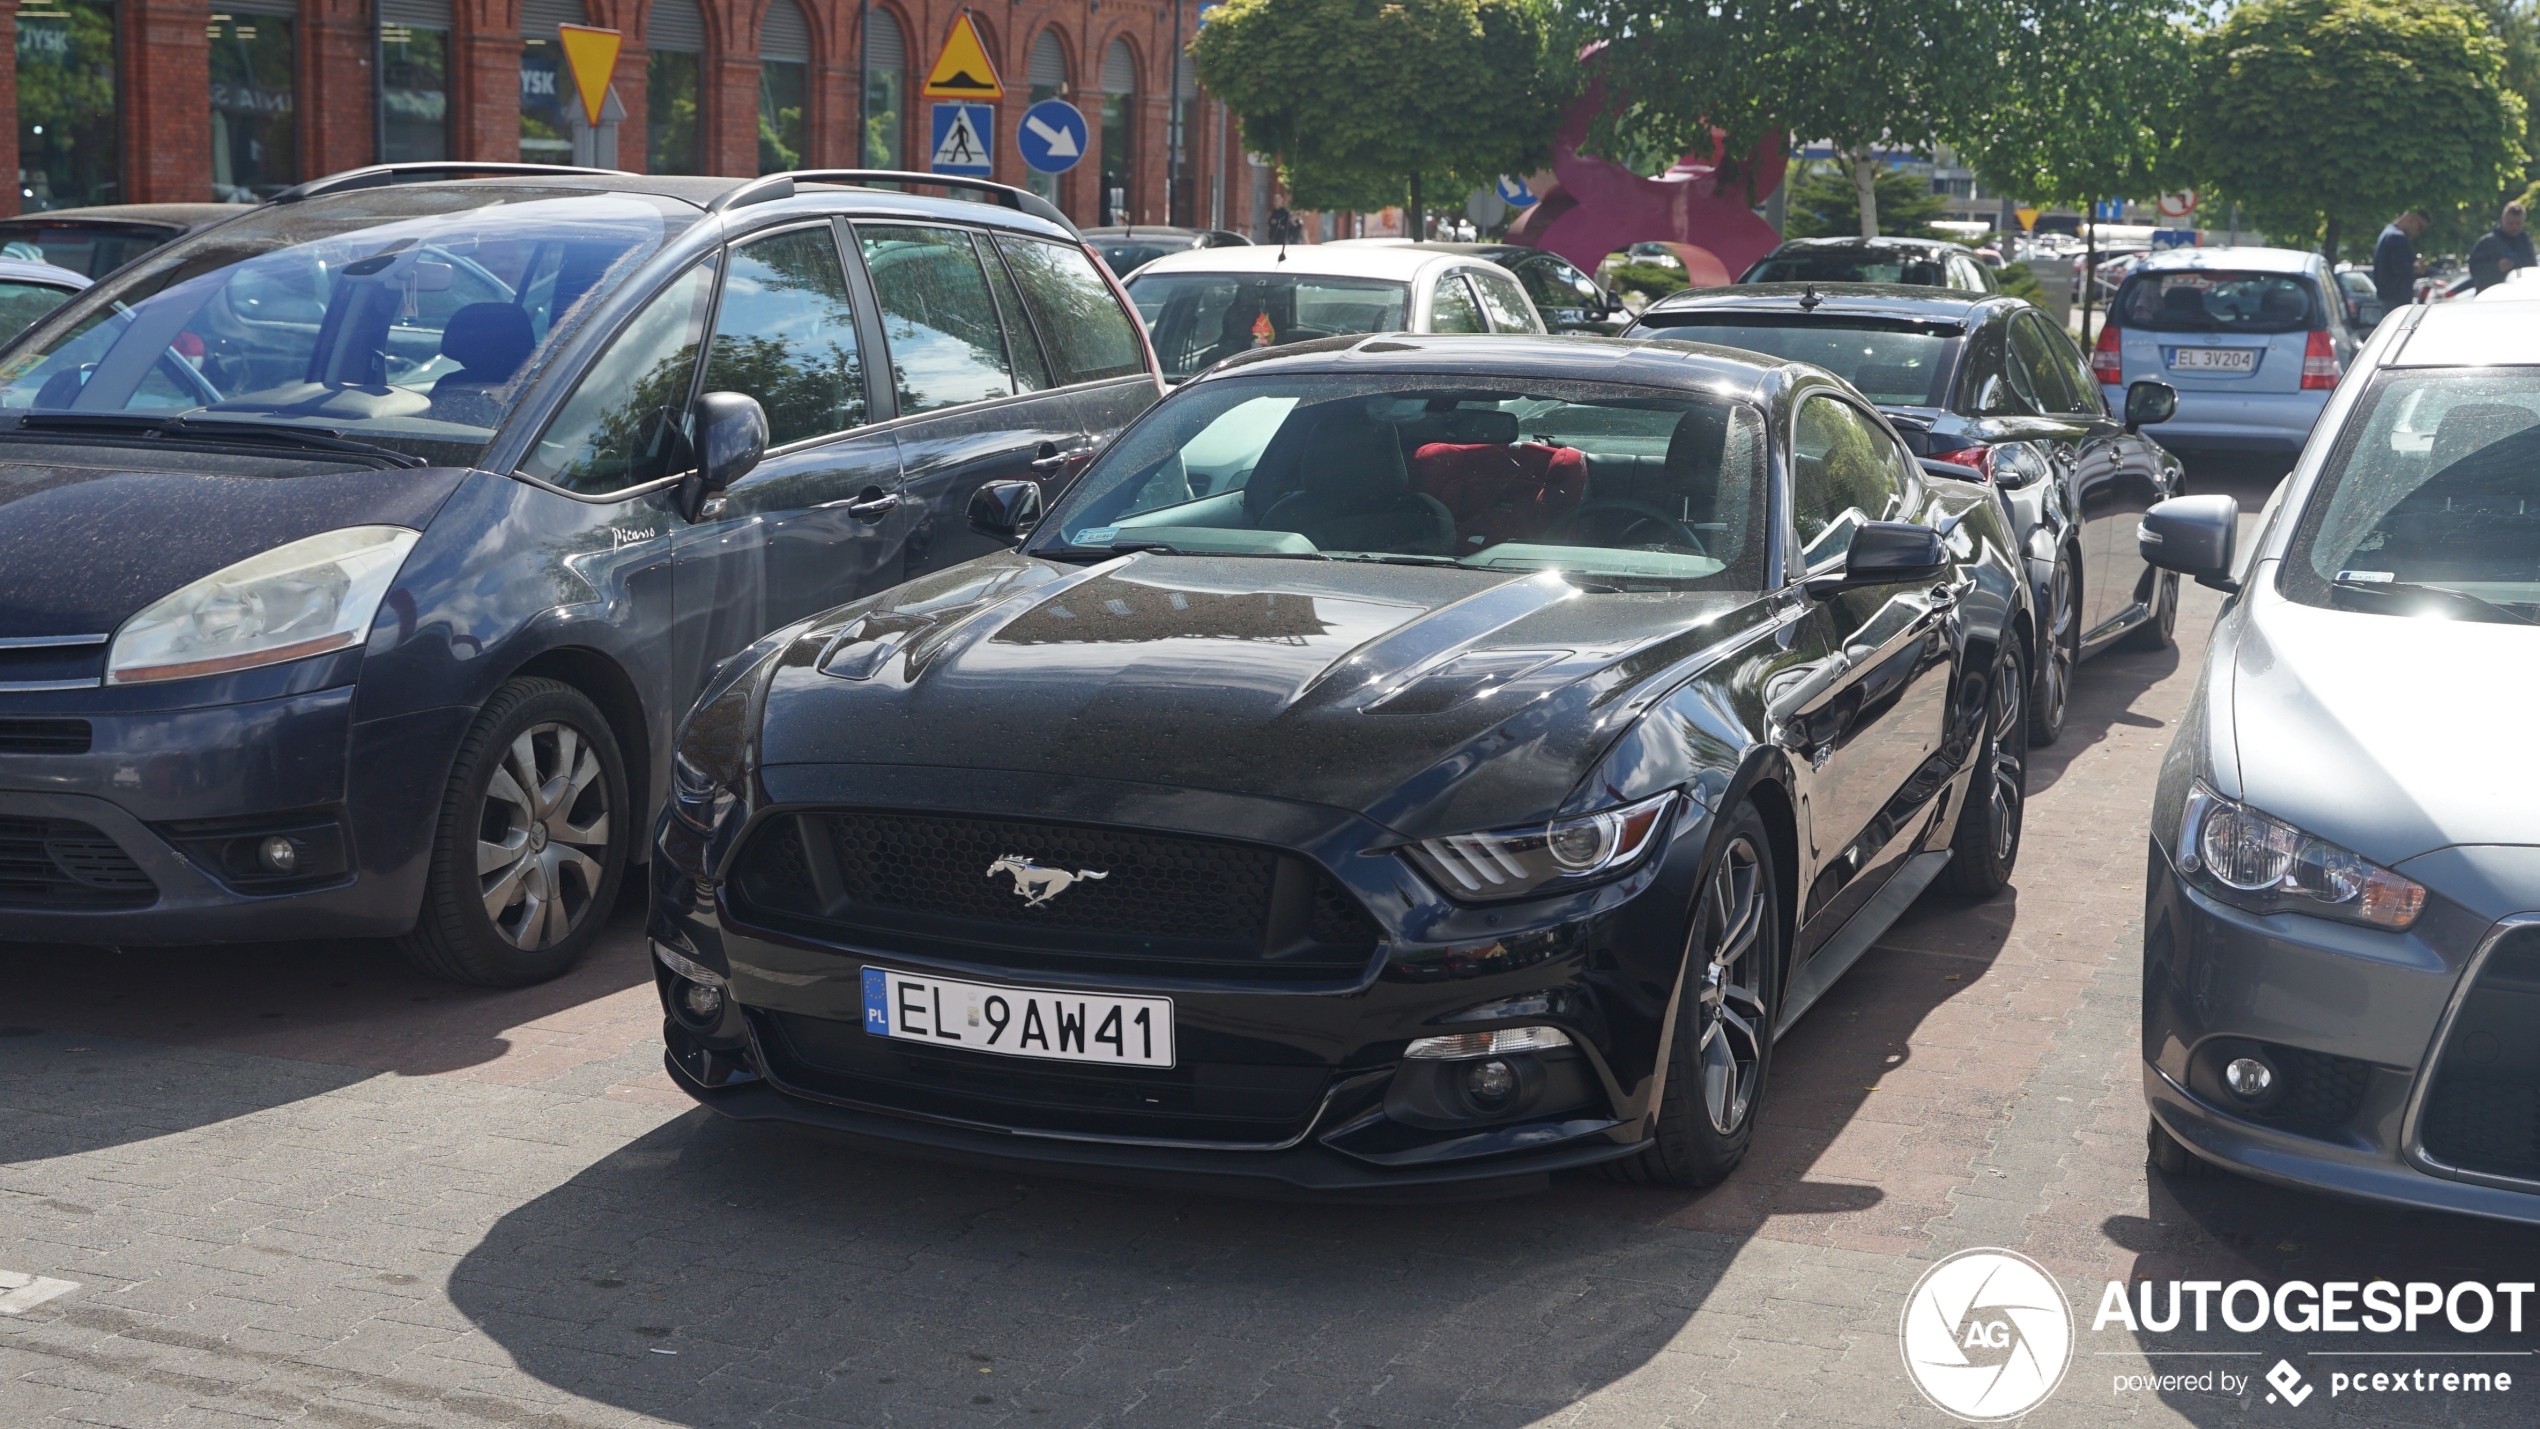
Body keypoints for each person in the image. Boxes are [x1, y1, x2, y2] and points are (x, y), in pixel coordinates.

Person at [2468, 202, 2536, 292]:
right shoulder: (2487, 243)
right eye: (2510, 223)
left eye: (2518, 223)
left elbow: (2533, 270)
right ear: (2502, 220)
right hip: (2493, 297)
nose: (2514, 227)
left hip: (2521, 297)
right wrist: (2496, 267)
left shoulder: (2526, 244)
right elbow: (2474, 269)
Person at [2374, 209, 2430, 310]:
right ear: (2411, 220)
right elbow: (2400, 268)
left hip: (2387, 296)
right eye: (2420, 227)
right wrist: (2416, 267)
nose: (2418, 233)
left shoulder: (2387, 232)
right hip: (2396, 298)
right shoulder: (2397, 237)